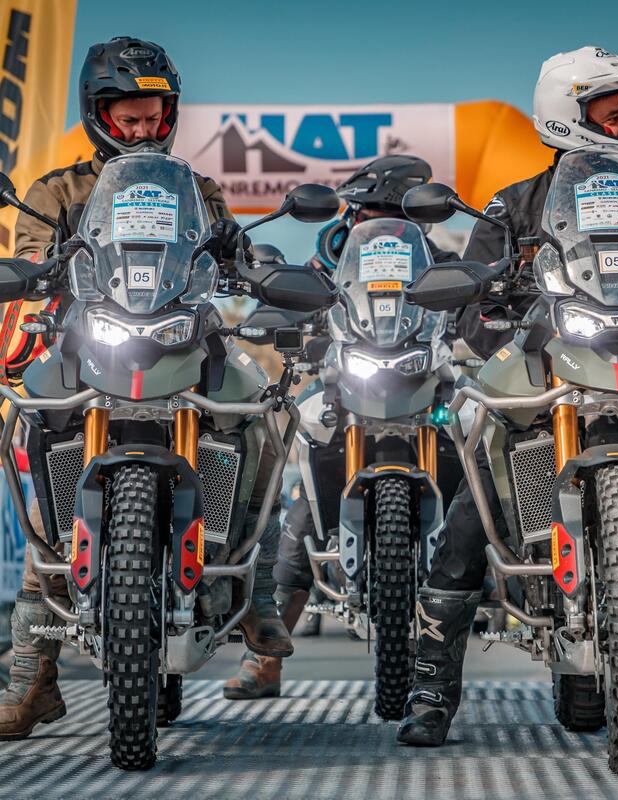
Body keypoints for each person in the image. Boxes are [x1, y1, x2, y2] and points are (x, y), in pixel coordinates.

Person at [397, 45, 618, 747]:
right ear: (569, 117)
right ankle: (431, 687)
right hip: (550, 369)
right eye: (615, 113)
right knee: (474, 498)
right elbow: (471, 304)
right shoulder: (515, 204)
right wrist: (500, 324)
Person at [0, 36, 290, 741]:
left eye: (153, 118)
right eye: (127, 119)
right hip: (90, 345)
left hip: (185, 340)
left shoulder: (197, 190)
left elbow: (230, 255)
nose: (141, 131)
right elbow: (31, 257)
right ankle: (31, 679)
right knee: (39, 468)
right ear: (98, 115)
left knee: (260, 413)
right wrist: (37, 270)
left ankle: (258, 596)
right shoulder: (58, 191)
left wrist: (247, 259)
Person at [222, 154, 460, 700]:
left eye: (390, 213)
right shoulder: (329, 258)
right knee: (304, 503)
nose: (373, 220)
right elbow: (296, 298)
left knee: (479, 477)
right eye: (368, 211)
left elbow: (474, 307)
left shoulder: (438, 261)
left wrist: (483, 314)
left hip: (426, 388)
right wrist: (276, 316)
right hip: (346, 389)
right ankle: (265, 658)